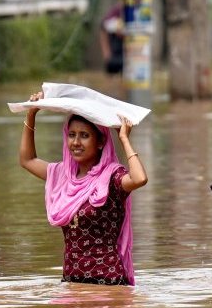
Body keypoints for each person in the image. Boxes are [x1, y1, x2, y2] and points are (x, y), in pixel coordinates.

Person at [18, 91, 148, 285]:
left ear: (100, 142)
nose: (76, 142)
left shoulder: (112, 177)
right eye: (71, 135)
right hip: (71, 282)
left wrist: (124, 139)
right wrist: (31, 113)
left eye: (84, 136)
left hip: (108, 285)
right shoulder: (63, 176)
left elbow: (139, 179)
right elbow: (27, 160)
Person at [98, 5, 125, 75]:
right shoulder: (116, 12)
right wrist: (106, 52)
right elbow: (103, 29)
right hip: (114, 56)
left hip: (127, 56)